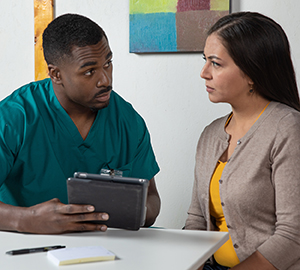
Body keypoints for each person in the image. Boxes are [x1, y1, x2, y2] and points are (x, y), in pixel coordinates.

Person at [0, 13, 160, 234]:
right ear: (56, 75)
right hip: (25, 251)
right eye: (89, 71)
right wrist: (26, 220)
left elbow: (151, 197)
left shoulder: (127, 121)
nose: (105, 80)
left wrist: (136, 212)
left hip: (107, 252)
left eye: (108, 64)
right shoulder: (15, 117)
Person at [185, 12, 300, 270]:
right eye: (205, 61)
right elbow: (195, 218)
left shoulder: (287, 129)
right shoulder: (210, 135)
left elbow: (293, 235)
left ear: (251, 72)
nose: (204, 73)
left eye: (215, 63)